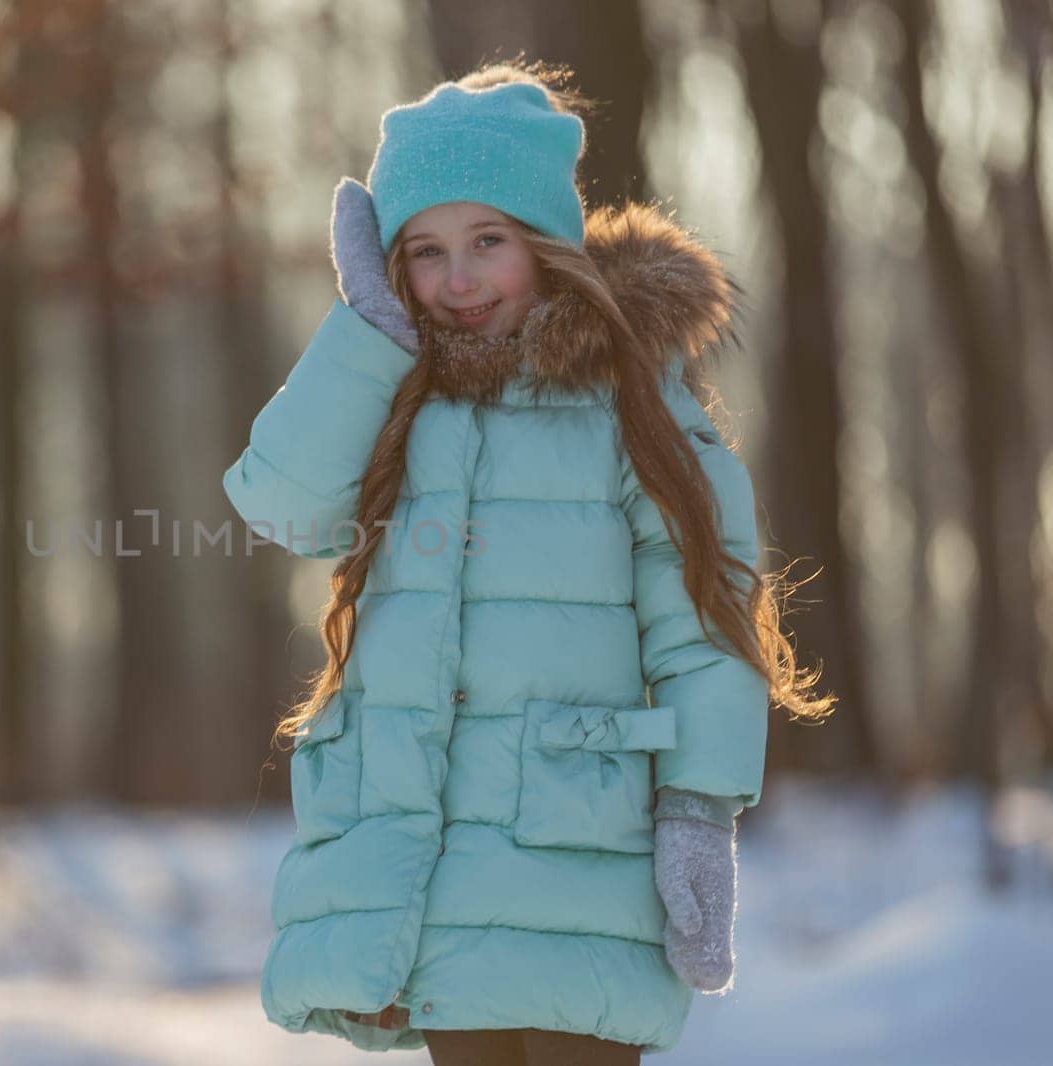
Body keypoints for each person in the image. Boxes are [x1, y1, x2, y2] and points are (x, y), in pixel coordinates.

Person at [221, 58, 833, 1065]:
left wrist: (696, 806)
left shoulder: (629, 401)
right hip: (437, 873)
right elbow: (282, 505)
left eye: (487, 243)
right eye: (422, 252)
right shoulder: (394, 396)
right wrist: (365, 334)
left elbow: (703, 617)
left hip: (580, 850)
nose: (455, 281)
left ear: (544, 245)